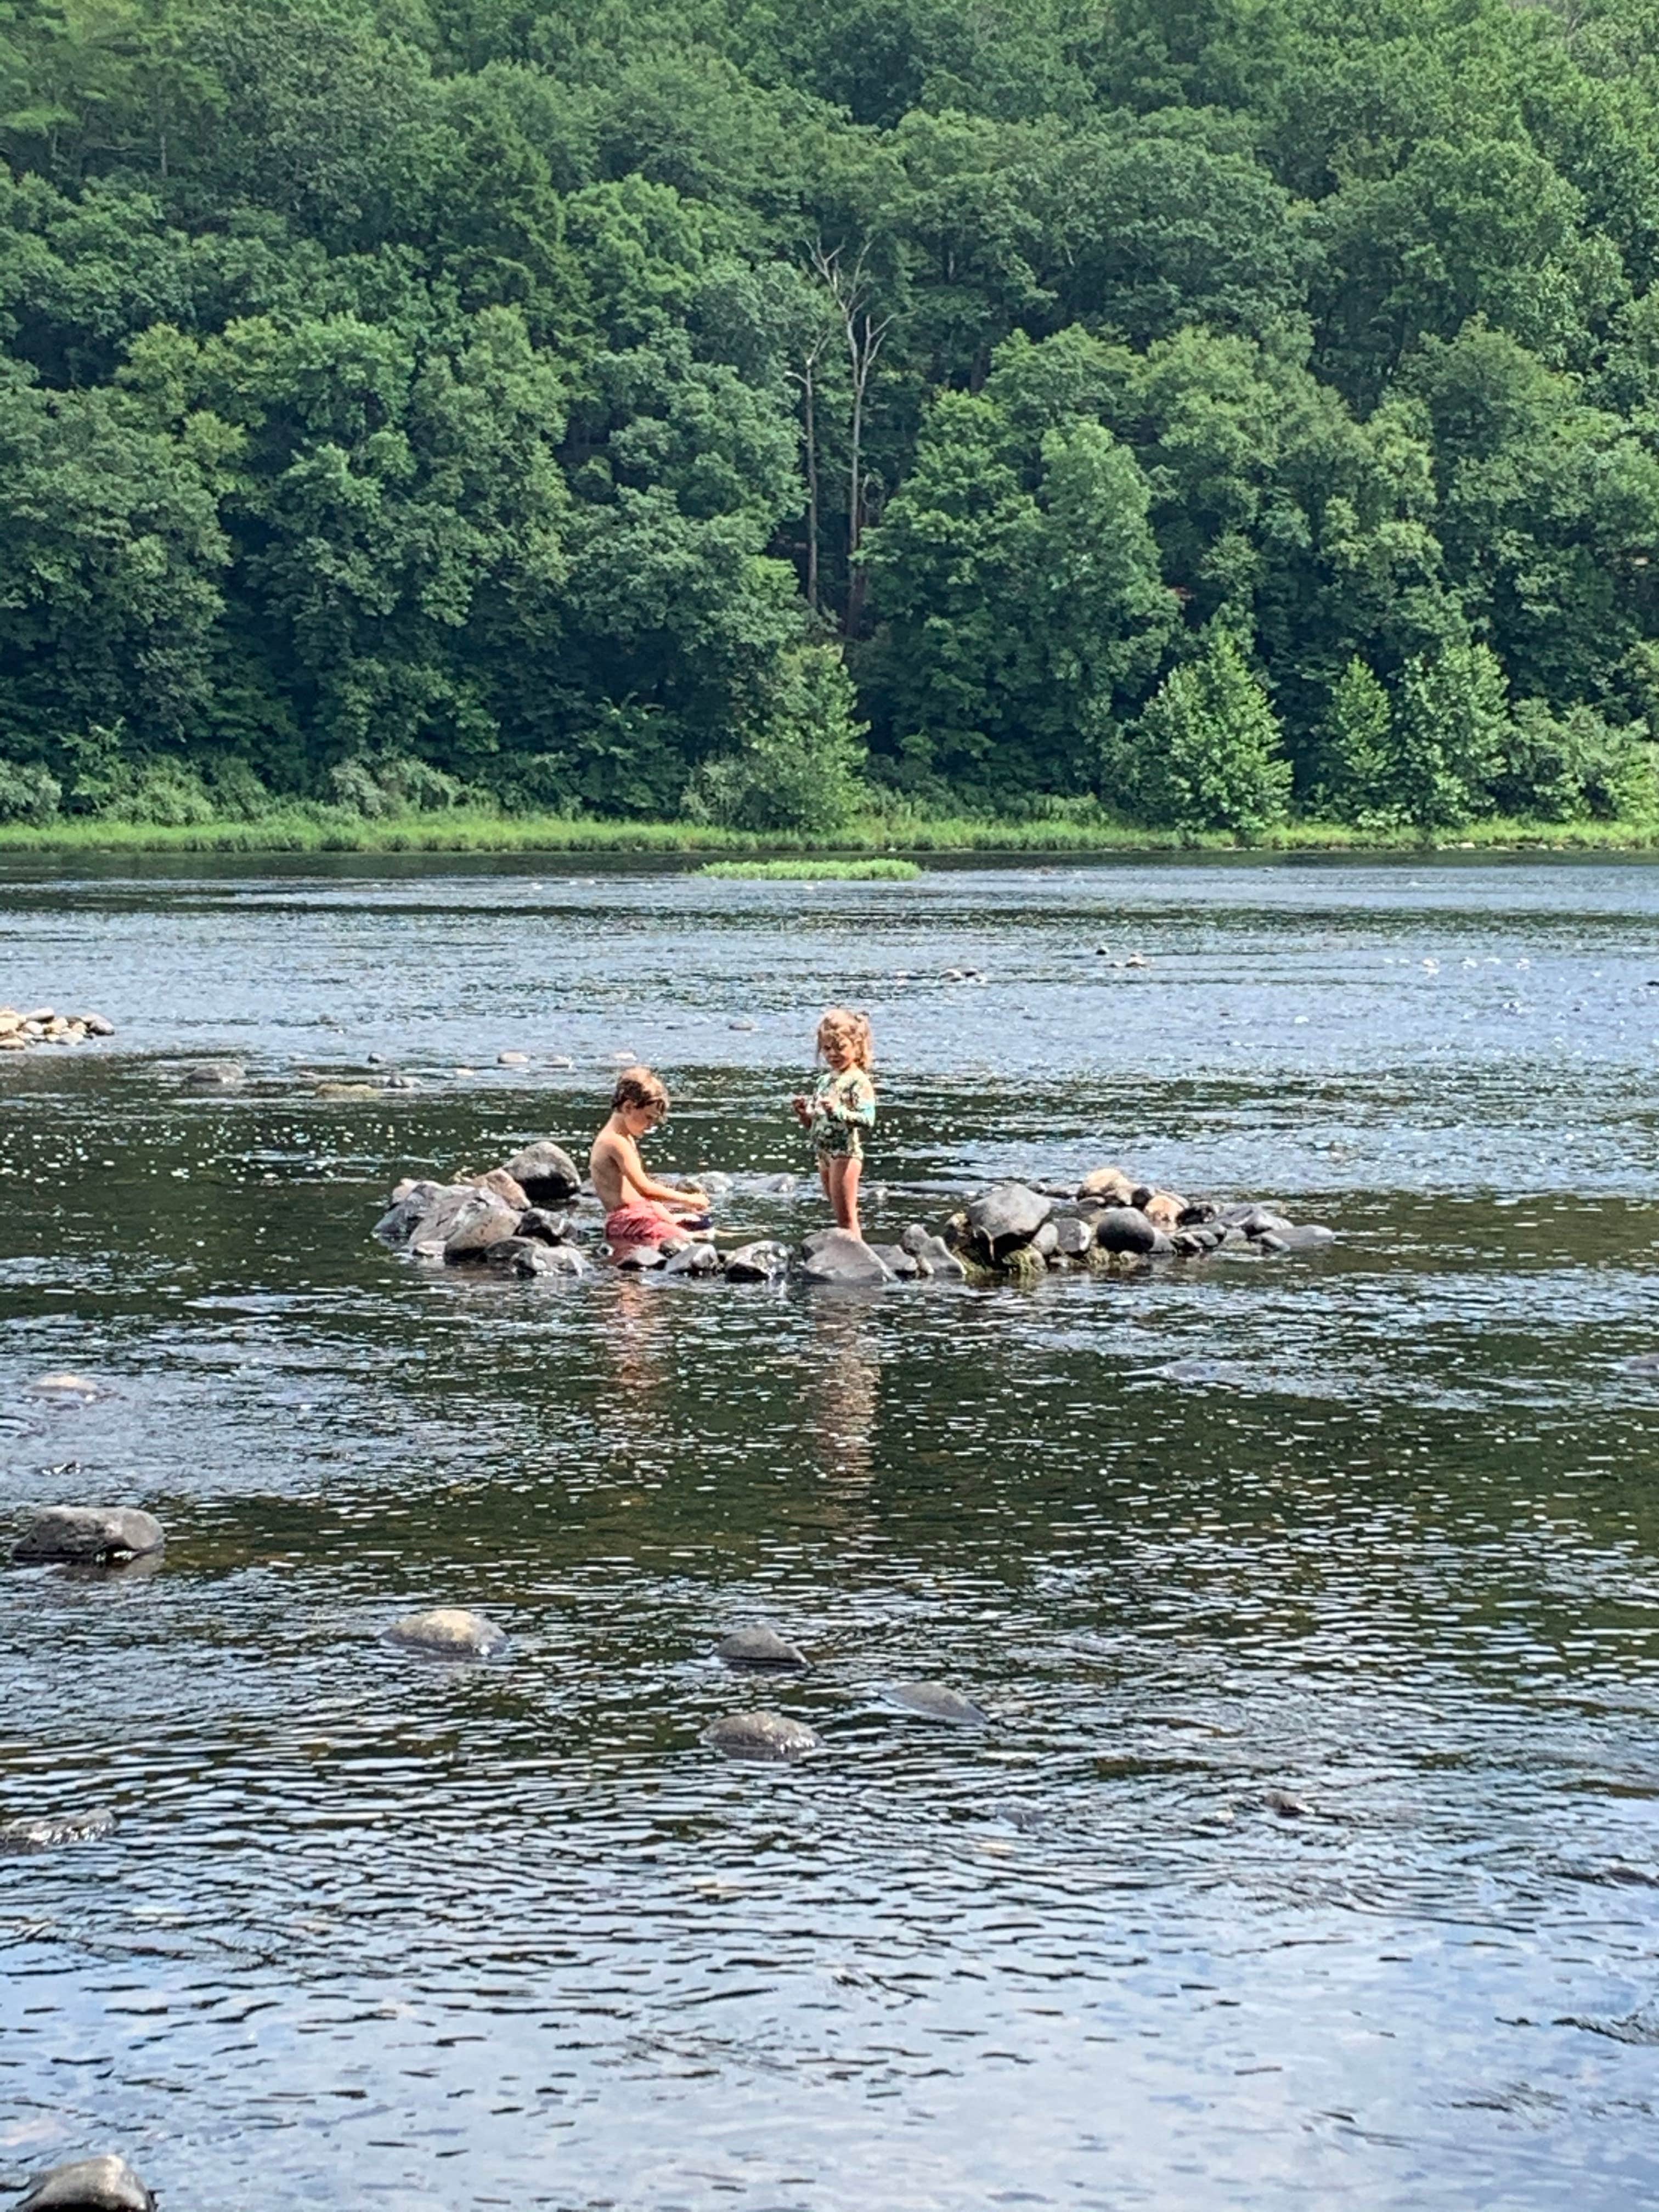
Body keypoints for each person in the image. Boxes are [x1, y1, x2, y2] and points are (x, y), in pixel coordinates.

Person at [590, 1066, 709, 1252]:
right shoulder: (614, 1142)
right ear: (628, 1107)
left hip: (640, 1214)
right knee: (684, 1241)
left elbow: (638, 1193)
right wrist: (687, 1199)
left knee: (703, 1226)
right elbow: (645, 1188)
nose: (650, 1126)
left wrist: (668, 1211)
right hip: (627, 1221)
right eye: (648, 1118)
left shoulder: (625, 1137)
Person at [792, 1008, 876, 1240]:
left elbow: (868, 1119)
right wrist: (804, 1115)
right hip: (824, 1154)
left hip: (845, 1154)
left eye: (840, 1047)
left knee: (847, 1219)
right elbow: (816, 1126)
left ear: (857, 1046)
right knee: (836, 1213)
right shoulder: (824, 1081)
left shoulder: (858, 1081)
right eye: (827, 1049)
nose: (832, 1054)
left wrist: (838, 1111)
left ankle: (858, 1260)